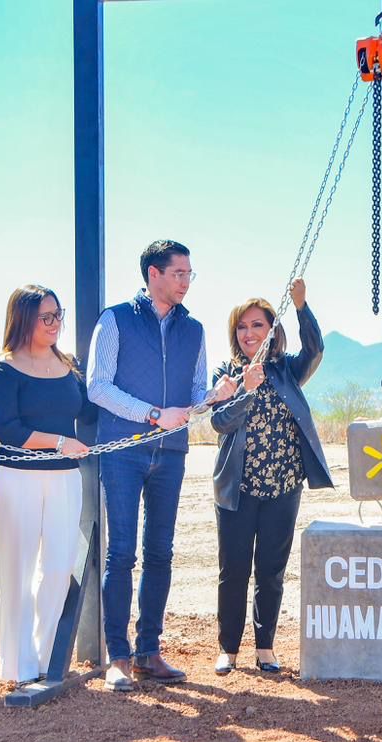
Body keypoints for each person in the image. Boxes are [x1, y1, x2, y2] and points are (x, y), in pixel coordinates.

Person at [88, 240, 237, 689]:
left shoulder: (195, 330)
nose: (186, 282)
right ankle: (118, 658)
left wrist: (215, 396)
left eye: (190, 274)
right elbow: (98, 387)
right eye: (179, 273)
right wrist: (153, 414)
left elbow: (193, 399)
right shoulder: (114, 320)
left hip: (171, 453)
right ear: (154, 274)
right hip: (122, 449)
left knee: (160, 553)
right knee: (121, 553)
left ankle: (148, 652)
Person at [210, 277, 333, 674]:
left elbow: (315, 350)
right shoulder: (226, 375)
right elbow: (220, 422)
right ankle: (228, 648)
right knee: (234, 570)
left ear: (272, 330)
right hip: (238, 489)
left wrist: (301, 306)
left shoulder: (286, 371)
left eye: (257, 325)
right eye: (242, 327)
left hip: (283, 486)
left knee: (271, 572)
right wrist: (244, 389)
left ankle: (265, 647)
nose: (249, 333)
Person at [0, 285, 96, 685]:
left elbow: (89, 410)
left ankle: (47, 655)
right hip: (18, 477)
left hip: (65, 478)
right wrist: (59, 442)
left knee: (58, 568)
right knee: (17, 571)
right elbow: (9, 430)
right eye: (45, 317)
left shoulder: (69, 366)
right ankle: (19, 666)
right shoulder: (5, 369)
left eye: (58, 315)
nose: (55, 324)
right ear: (23, 319)